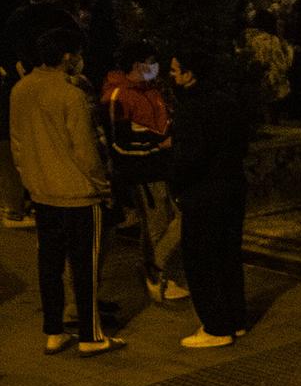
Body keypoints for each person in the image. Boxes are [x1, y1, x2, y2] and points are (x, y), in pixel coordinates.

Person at [11, 28, 120, 355]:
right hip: (79, 194)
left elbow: (18, 144)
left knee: (50, 264)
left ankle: (54, 331)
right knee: (84, 267)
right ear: (68, 56)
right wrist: (103, 187)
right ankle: (91, 335)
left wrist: (30, 180)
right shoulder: (71, 95)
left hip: (43, 192)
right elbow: (86, 150)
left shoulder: (21, 89)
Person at [169, 50, 252, 348]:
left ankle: (216, 326)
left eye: (176, 70)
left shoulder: (191, 108)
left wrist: (176, 184)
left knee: (202, 260)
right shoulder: (227, 102)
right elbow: (243, 142)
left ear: (191, 74)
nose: (172, 76)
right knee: (228, 255)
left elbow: (188, 157)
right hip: (232, 186)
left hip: (203, 192)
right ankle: (235, 319)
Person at [102, 39, 188, 304]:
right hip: (143, 173)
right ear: (138, 65)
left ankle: (156, 272)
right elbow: (119, 143)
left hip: (160, 169)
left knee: (165, 225)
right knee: (160, 227)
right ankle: (156, 275)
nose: (156, 67)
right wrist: (160, 146)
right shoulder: (118, 96)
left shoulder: (149, 90)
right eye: (151, 62)